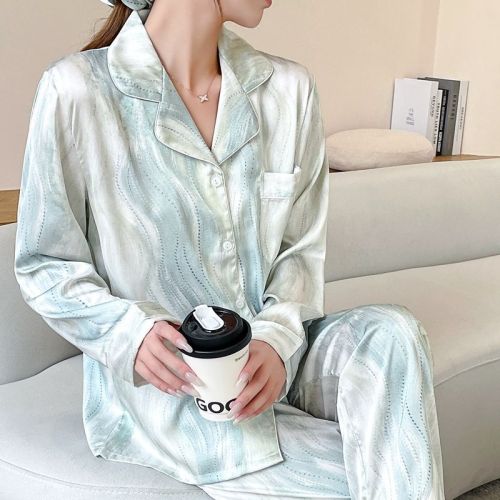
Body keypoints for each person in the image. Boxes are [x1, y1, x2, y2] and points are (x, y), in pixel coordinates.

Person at [14, 0, 446, 498]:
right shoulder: (77, 91)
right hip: (176, 384)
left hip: (281, 354)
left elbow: (299, 250)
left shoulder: (289, 90)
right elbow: (45, 261)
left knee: (392, 332)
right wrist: (126, 331)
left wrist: (276, 341)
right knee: (377, 477)